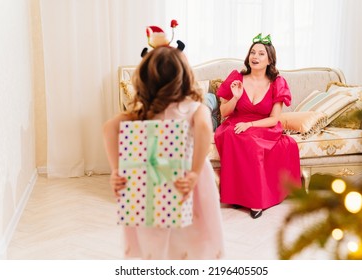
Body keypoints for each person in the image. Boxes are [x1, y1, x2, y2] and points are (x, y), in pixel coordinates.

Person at [102, 46, 224, 259]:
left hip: (150, 184)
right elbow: (205, 129)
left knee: (152, 240)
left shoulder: (144, 112)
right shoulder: (194, 108)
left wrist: (116, 170)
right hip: (186, 180)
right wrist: (195, 171)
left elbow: (110, 128)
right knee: (192, 237)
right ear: (186, 77)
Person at [214, 33, 301, 219]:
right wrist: (236, 97)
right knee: (233, 135)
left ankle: (256, 201)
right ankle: (237, 196)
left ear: (270, 59)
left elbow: (274, 119)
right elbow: (224, 112)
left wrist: (250, 124)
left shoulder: (277, 83)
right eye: (252, 52)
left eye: (261, 54)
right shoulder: (237, 77)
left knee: (253, 143)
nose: (255, 57)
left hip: (263, 126)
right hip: (236, 122)